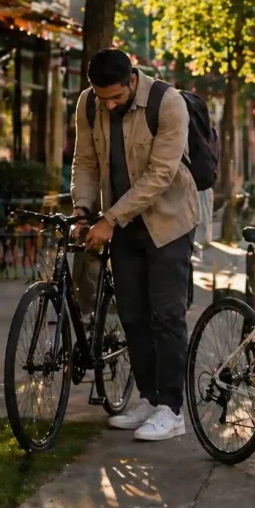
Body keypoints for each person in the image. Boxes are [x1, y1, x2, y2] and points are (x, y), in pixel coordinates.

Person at [71, 48, 199, 442]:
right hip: (121, 223)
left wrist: (108, 219)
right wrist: (83, 209)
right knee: (133, 316)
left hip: (168, 221)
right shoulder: (89, 104)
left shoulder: (168, 102)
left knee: (166, 316)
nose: (107, 104)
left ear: (132, 80)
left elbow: (161, 174)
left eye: (115, 98)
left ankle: (172, 409)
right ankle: (148, 397)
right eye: (101, 96)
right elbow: (86, 161)